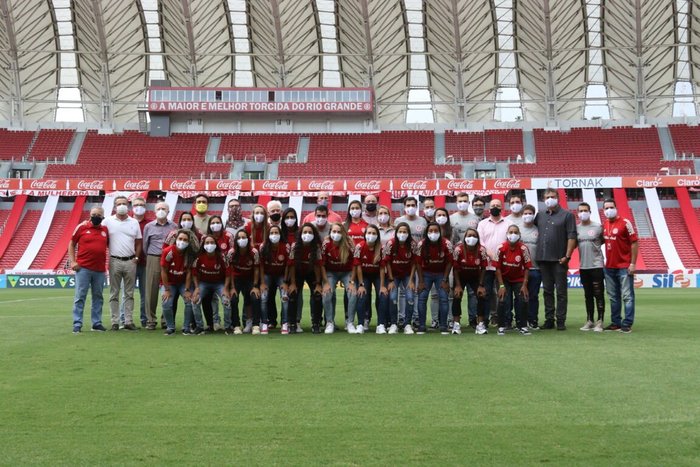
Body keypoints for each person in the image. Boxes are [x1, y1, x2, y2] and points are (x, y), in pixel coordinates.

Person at [534, 188, 577, 330]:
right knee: (547, 291)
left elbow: (572, 236)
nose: (550, 199)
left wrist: (567, 256)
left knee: (561, 292)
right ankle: (549, 319)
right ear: (543, 199)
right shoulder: (540, 215)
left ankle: (561, 320)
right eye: (547, 197)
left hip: (559, 260)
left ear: (558, 198)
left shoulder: (567, 215)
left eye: (552, 196)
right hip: (543, 259)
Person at [103, 195, 143, 331]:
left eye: (124, 203)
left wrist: (136, 258)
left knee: (129, 293)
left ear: (128, 206)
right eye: (119, 203)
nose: (121, 206)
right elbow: (102, 238)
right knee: (114, 293)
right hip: (114, 260)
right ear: (114, 206)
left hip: (130, 260)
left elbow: (138, 242)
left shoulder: (134, 222)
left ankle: (128, 320)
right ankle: (114, 321)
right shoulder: (107, 221)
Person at [69, 206, 109, 333]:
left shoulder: (105, 230)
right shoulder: (82, 227)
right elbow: (71, 243)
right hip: (83, 269)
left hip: (99, 269)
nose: (96, 216)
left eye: (99, 214)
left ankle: (96, 323)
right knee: (80, 296)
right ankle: (77, 323)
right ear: (90, 215)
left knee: (98, 297)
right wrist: (73, 261)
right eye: (94, 214)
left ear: (103, 217)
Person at [602, 199, 638, 333]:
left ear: (616, 208)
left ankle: (627, 323)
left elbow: (634, 243)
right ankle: (615, 322)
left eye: (611, 207)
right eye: (606, 208)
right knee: (613, 296)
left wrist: (633, 263)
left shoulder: (625, 223)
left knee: (627, 296)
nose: (609, 210)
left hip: (624, 266)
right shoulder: (605, 224)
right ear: (603, 210)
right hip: (609, 266)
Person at [142, 201, 176, 330]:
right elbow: (145, 245)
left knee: (168, 289)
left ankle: (165, 320)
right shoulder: (149, 227)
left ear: (168, 211)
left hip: (169, 259)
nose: (161, 210)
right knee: (151, 290)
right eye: (159, 208)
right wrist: (151, 256)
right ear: (155, 211)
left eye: (164, 208)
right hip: (153, 257)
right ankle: (151, 320)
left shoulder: (174, 226)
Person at [415, 222, 453, 334]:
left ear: (440, 232)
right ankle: (422, 326)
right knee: (422, 298)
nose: (433, 233)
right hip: (425, 273)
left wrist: (445, 280)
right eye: (430, 231)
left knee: (443, 298)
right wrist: (421, 281)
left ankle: (443, 326)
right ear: (426, 233)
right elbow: (417, 263)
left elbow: (450, 262)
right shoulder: (421, 244)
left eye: (436, 231)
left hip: (441, 273)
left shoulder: (447, 243)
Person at [160, 229, 199, 335]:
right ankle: (170, 327)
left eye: (185, 240)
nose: (182, 241)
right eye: (180, 239)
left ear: (188, 242)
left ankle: (186, 327)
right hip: (170, 283)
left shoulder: (190, 254)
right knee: (166, 302)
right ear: (176, 239)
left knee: (189, 301)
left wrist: (187, 289)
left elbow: (189, 273)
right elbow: (163, 271)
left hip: (183, 283)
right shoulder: (168, 251)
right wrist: (167, 290)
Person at [321, 222, 358, 334]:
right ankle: (329, 322)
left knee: (353, 293)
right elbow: (322, 265)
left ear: (343, 233)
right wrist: (326, 282)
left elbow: (355, 264)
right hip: (331, 272)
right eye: (334, 231)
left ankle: (350, 322)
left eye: (339, 232)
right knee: (327, 293)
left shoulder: (349, 243)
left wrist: (352, 281)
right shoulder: (326, 244)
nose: (336, 234)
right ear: (330, 232)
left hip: (347, 272)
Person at [495, 225, 532, 336]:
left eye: (515, 232)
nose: (513, 234)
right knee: (502, 300)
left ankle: (523, 325)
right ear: (507, 234)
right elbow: (497, 268)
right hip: (504, 279)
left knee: (523, 299)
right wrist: (501, 286)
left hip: (518, 279)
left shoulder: (523, 248)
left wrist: (524, 284)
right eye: (511, 232)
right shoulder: (501, 247)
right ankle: (501, 326)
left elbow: (527, 267)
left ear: (519, 234)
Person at [381, 222, 417, 334]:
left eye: (404, 232)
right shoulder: (390, 244)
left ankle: (407, 324)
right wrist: (391, 280)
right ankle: (393, 324)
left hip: (407, 275)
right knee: (392, 297)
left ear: (408, 233)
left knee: (410, 297)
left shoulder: (412, 244)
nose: (402, 234)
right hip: (394, 275)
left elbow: (415, 263)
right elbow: (387, 263)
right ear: (396, 233)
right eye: (400, 231)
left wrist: (411, 280)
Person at [477, 198, 509, 326]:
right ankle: (484, 319)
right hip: (487, 265)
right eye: (493, 205)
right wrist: (491, 254)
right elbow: (481, 242)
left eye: (497, 205)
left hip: (503, 266)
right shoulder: (482, 224)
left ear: (501, 208)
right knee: (486, 293)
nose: (495, 207)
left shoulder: (508, 223)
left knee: (503, 293)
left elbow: (510, 241)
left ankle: (503, 320)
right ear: (489, 208)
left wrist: (500, 256)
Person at [287, 223, 324, 333]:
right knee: (293, 294)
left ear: (314, 235)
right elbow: (292, 266)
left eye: (310, 232)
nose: (307, 234)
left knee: (317, 295)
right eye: (305, 232)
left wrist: (318, 284)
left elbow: (318, 266)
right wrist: (292, 283)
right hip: (297, 272)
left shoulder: (316, 247)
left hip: (311, 272)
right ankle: (292, 323)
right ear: (300, 234)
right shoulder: (295, 246)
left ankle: (316, 323)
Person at [224, 229, 262, 335]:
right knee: (234, 299)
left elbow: (257, 269)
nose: (241, 240)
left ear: (248, 239)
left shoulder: (254, 252)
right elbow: (230, 271)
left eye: (244, 237)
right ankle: (236, 325)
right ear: (236, 240)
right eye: (239, 238)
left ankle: (255, 325)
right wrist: (232, 287)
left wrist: (255, 286)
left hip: (250, 279)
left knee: (255, 297)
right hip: (236, 279)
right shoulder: (231, 253)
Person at [119, 196, 149, 328]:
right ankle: (124, 319)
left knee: (145, 294)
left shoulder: (150, 223)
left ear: (145, 207)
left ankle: (145, 319)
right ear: (132, 207)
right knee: (127, 293)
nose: (139, 207)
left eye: (141, 204)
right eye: (136, 204)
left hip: (146, 264)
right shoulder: (127, 222)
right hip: (129, 262)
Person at [452, 228, 488, 335]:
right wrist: (458, 285)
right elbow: (455, 268)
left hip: (475, 277)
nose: (471, 238)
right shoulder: (458, 249)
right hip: (461, 276)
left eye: (474, 236)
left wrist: (481, 285)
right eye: (469, 235)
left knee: (481, 296)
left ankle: (480, 324)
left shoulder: (481, 250)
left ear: (478, 238)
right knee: (457, 296)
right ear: (465, 237)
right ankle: (456, 324)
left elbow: (483, 268)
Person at [577, 202, 606, 332]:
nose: (583, 213)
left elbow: (603, 240)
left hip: (596, 265)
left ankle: (600, 321)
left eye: (585, 210)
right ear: (577, 213)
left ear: (590, 212)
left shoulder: (598, 227)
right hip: (583, 266)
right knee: (587, 295)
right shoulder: (576, 228)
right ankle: (590, 320)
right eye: (581, 211)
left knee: (598, 294)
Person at [190, 234, 227, 335]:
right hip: (204, 284)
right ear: (203, 245)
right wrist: (197, 288)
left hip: (219, 284)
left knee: (226, 300)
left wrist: (226, 288)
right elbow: (194, 274)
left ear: (216, 245)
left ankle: (228, 327)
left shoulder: (222, 257)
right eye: (207, 243)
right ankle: (199, 326)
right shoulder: (199, 257)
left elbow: (228, 274)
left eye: (212, 243)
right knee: (195, 301)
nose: (209, 245)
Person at [353, 225, 386, 334]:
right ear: (365, 234)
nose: (371, 236)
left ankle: (381, 324)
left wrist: (382, 286)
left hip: (377, 275)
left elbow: (382, 268)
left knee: (382, 295)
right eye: (369, 233)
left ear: (377, 236)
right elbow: (358, 266)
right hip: (364, 275)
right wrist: (361, 284)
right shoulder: (359, 246)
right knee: (362, 296)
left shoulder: (381, 248)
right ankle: (361, 324)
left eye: (374, 233)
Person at [260, 225, 291, 334]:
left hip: (281, 275)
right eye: (272, 233)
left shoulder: (286, 246)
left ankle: (285, 323)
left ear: (280, 234)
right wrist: (262, 282)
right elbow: (261, 266)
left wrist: (286, 282)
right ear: (268, 235)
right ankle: (264, 322)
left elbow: (288, 265)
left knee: (285, 296)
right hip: (267, 275)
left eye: (276, 233)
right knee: (264, 297)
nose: (274, 235)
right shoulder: (264, 247)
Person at [205, 215, 232, 331]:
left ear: (221, 223)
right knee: (211, 300)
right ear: (209, 225)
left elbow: (232, 253)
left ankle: (230, 324)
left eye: (218, 222)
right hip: (210, 275)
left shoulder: (228, 236)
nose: (215, 224)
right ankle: (215, 322)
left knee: (228, 299)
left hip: (225, 275)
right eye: (213, 222)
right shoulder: (206, 238)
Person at [520, 204, 541, 329]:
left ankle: (533, 320)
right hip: (520, 270)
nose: (528, 215)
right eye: (525, 213)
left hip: (536, 269)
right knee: (521, 296)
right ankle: (521, 321)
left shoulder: (539, 229)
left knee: (533, 296)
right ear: (522, 215)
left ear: (533, 215)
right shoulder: (517, 230)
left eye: (530, 213)